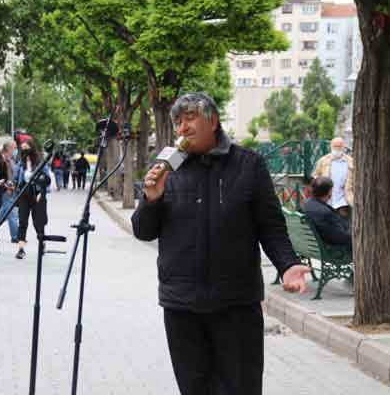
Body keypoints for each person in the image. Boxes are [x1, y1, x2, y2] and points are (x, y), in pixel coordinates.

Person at [131, 92, 310, 395]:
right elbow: (143, 231)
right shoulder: (167, 168)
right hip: (182, 305)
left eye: (190, 118)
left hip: (236, 305)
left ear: (212, 121)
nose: (182, 128)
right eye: (178, 121)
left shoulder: (248, 165)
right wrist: (152, 199)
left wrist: (288, 264)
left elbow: (271, 226)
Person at [13, 140, 51, 259]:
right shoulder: (20, 163)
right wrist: (12, 186)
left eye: (26, 148)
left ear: (32, 148)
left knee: (38, 222)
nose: (24, 150)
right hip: (24, 194)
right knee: (22, 221)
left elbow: (47, 179)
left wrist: (43, 193)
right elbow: (15, 179)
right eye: (22, 148)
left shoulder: (40, 163)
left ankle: (42, 243)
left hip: (37, 193)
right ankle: (20, 248)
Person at [302, 177, 352, 248]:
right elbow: (340, 237)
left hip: (311, 245)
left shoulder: (305, 204)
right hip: (331, 249)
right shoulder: (324, 213)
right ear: (329, 192)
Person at [313, 137, 354, 217]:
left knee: (342, 221)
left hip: (344, 199)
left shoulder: (350, 161)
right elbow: (315, 175)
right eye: (335, 146)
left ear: (344, 147)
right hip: (326, 197)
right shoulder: (323, 160)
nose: (337, 149)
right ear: (331, 147)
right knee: (326, 221)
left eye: (340, 146)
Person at [0, 141, 19, 243]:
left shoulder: (10, 159)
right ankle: (15, 236)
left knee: (4, 214)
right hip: (7, 190)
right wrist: (9, 187)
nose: (16, 150)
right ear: (9, 148)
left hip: (11, 189)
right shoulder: (4, 160)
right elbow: (8, 175)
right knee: (12, 213)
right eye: (14, 148)